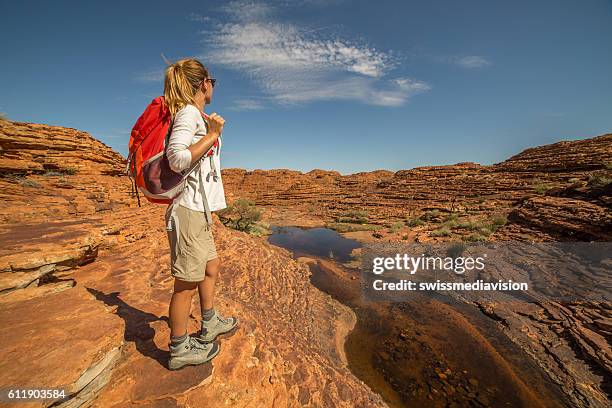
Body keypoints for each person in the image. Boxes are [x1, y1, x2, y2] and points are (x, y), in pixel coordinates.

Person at [162, 58, 238, 371]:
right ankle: (179, 349)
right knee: (185, 284)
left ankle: (210, 322)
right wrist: (214, 134)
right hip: (187, 211)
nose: (213, 87)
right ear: (202, 83)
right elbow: (176, 159)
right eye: (212, 82)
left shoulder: (196, 115)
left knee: (211, 266)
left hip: (199, 210)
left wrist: (209, 132)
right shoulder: (188, 113)